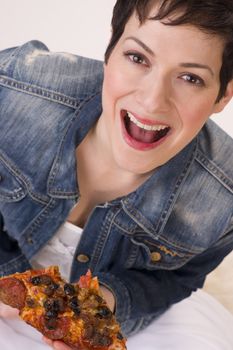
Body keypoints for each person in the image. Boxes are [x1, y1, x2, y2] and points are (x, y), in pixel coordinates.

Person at [0, 0, 233, 349]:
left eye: (190, 77)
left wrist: (103, 305)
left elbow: (178, 278)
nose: (153, 101)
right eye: (138, 58)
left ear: (223, 95)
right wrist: (10, 281)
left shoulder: (224, 199)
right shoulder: (12, 87)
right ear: (111, 48)